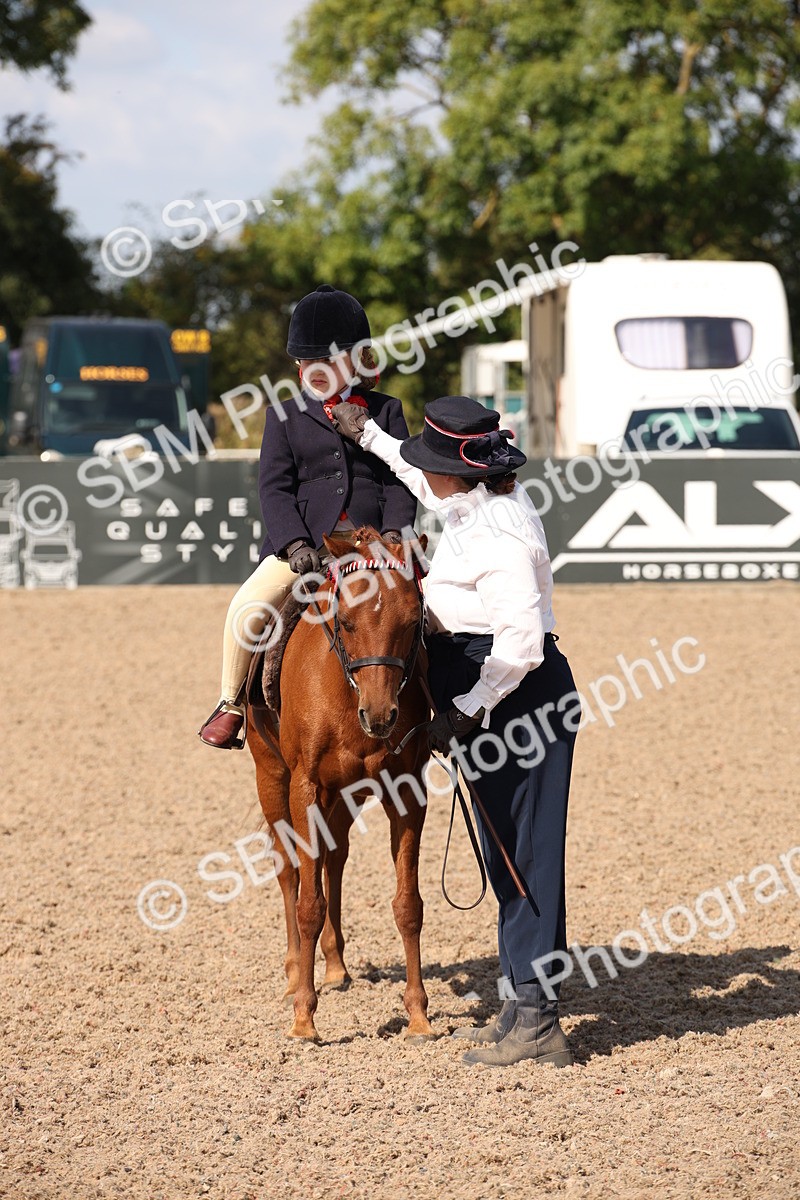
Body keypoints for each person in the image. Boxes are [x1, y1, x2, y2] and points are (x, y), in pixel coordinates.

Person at [332, 394, 579, 1068]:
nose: (423, 473)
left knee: (527, 857)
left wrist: (468, 709)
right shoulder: (472, 502)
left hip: (516, 699)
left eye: (429, 462)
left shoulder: (498, 534)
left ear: (455, 472)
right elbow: (419, 479)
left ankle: (538, 1020)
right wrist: (374, 437)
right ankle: (520, 1005)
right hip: (495, 696)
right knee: (505, 855)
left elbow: (522, 644)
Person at [198, 285, 417, 749]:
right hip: (305, 547)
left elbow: (398, 481)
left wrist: (395, 536)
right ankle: (231, 703)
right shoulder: (283, 416)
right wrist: (294, 545)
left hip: (376, 544)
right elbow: (274, 488)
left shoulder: (387, 411)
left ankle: (449, 706)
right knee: (247, 607)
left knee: (434, 612)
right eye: (303, 362)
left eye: (325, 361)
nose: (311, 372)